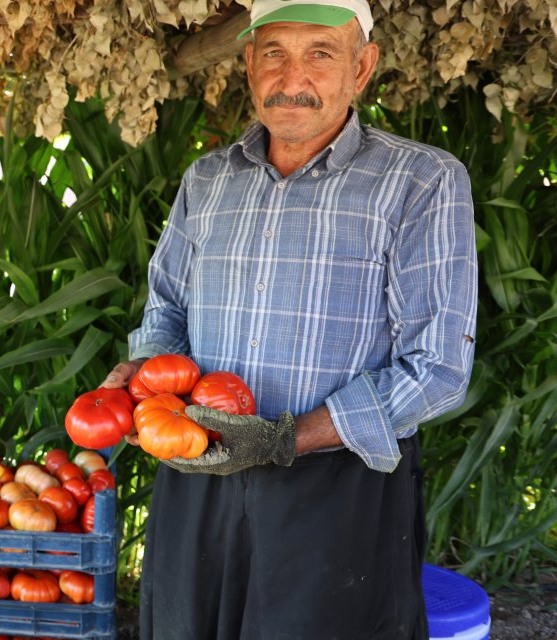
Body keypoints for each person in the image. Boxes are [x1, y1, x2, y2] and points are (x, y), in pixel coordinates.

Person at [102, 0, 478, 637]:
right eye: (274, 51)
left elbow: (437, 368)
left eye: (320, 54)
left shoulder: (421, 181)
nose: (292, 77)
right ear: (248, 63)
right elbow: (166, 308)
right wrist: (145, 379)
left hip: (338, 487)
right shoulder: (208, 179)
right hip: (200, 470)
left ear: (362, 69)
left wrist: (285, 437)